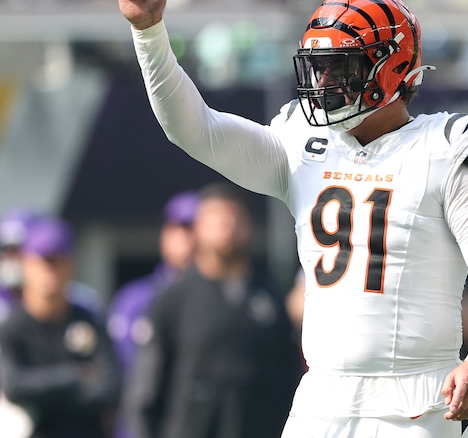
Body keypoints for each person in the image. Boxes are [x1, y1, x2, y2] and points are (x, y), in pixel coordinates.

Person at [116, 0, 468, 438]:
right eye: (319, 66)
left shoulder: (446, 147)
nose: (323, 81)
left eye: (339, 67)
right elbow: (195, 130)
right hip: (322, 398)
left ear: (389, 67)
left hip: (418, 400)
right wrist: (150, 33)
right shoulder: (303, 142)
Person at [123, 182, 303, 438]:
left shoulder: (270, 295)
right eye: (216, 218)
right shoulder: (173, 298)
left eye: (234, 217)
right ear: (197, 229)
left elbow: (290, 376)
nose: (226, 226)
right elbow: (145, 390)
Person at [0, 216, 122, 438]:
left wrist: (44, 392)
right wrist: (76, 375)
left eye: (58, 262)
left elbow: (110, 387)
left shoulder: (89, 319)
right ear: (26, 264)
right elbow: (14, 387)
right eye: (44, 262)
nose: (51, 272)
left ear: (72, 264)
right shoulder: (12, 328)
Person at [108, 190, 200, 373]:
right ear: (164, 234)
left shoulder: (224, 295)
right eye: (177, 228)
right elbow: (119, 365)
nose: (186, 238)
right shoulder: (135, 298)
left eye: (193, 229)